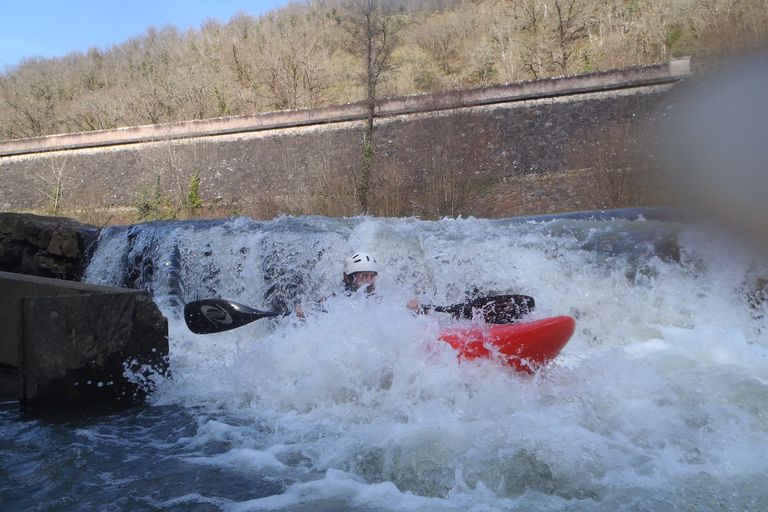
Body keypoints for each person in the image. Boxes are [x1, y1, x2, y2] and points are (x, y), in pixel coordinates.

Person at [294, 251, 420, 318]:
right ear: (348, 278)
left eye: (372, 276)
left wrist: (414, 311)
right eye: (364, 276)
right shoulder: (334, 300)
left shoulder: (382, 299)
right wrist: (303, 313)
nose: (369, 281)